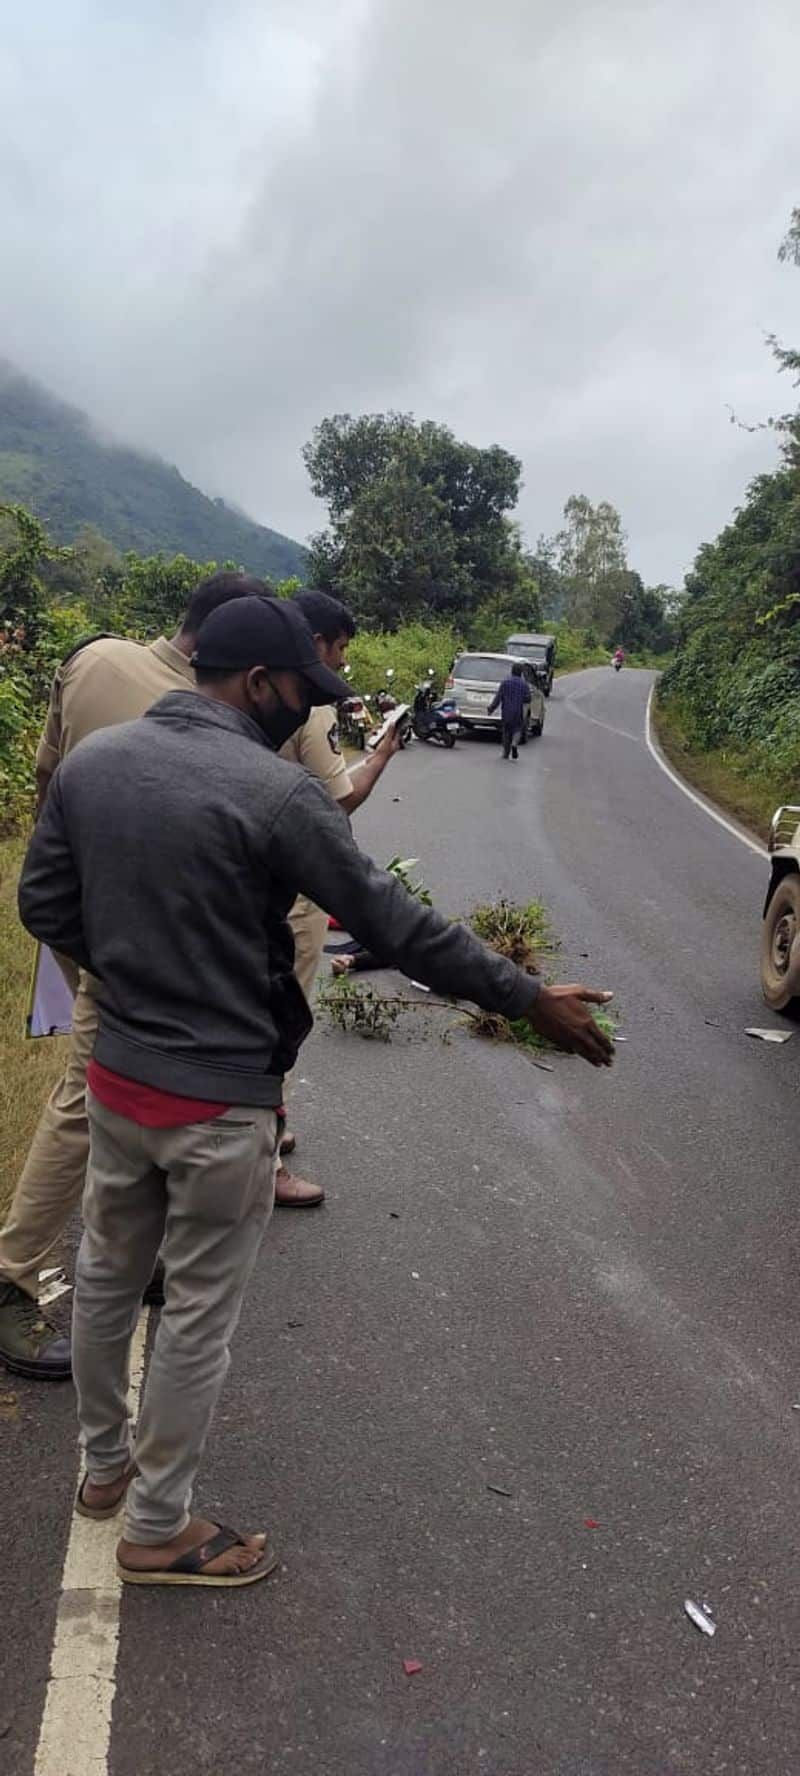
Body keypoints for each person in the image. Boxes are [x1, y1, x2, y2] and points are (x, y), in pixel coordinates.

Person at [18, 594, 614, 1590]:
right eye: (303, 691)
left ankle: (104, 1474)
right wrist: (522, 998)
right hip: (218, 1101)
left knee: (110, 1281)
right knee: (197, 1311)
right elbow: (393, 923)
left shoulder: (92, 768)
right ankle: (158, 1528)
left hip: (119, 1084)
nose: (309, 711)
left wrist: (122, 981)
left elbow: (43, 901)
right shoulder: (274, 795)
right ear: (257, 685)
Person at [0, 571, 314, 1383]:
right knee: (93, 1093)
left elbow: (45, 786)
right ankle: (19, 1269)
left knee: (103, 1088)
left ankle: (132, 1264)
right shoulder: (232, 720)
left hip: (82, 907)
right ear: (238, 655)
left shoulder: (91, 660)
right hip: (160, 944)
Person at [276, 589, 400, 1205]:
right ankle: (266, 1162)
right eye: (342, 649)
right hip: (291, 888)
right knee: (283, 1019)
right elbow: (339, 799)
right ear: (319, 642)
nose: (343, 664)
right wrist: (381, 754)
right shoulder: (309, 706)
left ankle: (261, 1134)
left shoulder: (240, 696)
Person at [488, 662, 531, 760]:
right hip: (518, 712)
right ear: (521, 673)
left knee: (506, 731)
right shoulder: (524, 684)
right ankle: (514, 744)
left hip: (506, 711)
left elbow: (498, 698)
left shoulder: (505, 683)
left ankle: (505, 752)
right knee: (518, 729)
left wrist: (491, 709)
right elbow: (528, 699)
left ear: (512, 671)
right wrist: (521, 698)